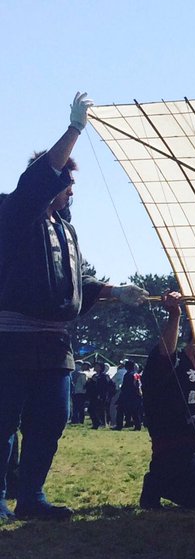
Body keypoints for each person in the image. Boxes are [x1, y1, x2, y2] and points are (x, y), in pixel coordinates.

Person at [0, 93, 147, 521]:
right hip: (12, 336)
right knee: (3, 422)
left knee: (52, 420)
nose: (71, 189)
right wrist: (75, 130)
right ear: (50, 180)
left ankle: (31, 496)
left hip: (55, 342)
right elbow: (37, 181)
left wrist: (115, 291)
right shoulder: (14, 212)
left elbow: (74, 285)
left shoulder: (64, 230)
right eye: (65, 180)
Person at [139, 292, 195, 509]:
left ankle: (160, 482)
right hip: (173, 449)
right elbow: (164, 355)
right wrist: (175, 316)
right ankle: (157, 482)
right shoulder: (175, 365)